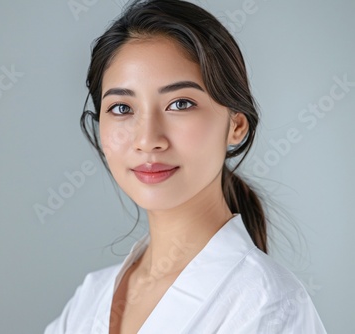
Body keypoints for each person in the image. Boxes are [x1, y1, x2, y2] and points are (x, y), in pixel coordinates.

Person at [45, 0, 327, 333]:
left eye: (180, 103)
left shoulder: (267, 305)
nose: (148, 139)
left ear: (236, 124)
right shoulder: (89, 300)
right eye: (122, 108)